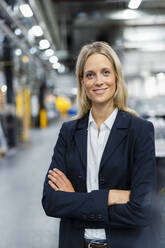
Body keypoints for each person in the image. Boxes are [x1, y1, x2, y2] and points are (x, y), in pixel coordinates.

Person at [42, 41, 159, 248]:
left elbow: (142, 210)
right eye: (90, 75)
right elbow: (51, 202)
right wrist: (111, 196)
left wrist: (75, 201)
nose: (98, 81)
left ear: (116, 77)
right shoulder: (69, 133)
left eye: (105, 72)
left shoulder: (139, 131)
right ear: (82, 82)